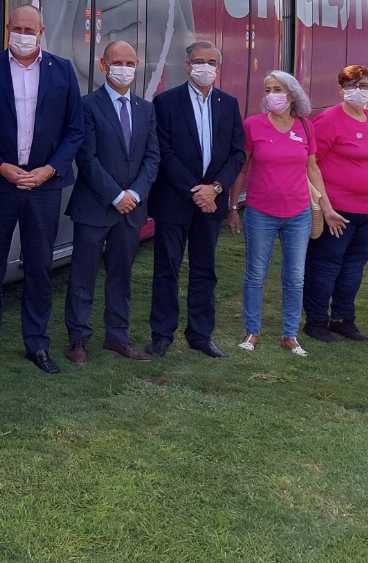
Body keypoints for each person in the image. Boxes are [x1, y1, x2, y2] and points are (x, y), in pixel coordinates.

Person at [0, 4, 83, 373]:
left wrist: (50, 170)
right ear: (7, 29)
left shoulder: (62, 70)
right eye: (16, 28)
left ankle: (37, 344)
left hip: (43, 187)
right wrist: (0, 166)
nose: (22, 34)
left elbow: (74, 129)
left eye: (29, 29)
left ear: (41, 30)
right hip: (1, 184)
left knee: (39, 266)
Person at [146, 40, 247, 358]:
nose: (206, 67)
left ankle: (200, 335)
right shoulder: (165, 102)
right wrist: (196, 190)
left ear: (218, 67)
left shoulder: (228, 104)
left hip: (212, 203)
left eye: (212, 62)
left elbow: (237, 153)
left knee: (205, 270)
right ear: (187, 65)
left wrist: (215, 188)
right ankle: (162, 334)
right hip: (175, 200)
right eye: (199, 61)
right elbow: (165, 152)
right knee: (167, 269)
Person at [63, 40, 160, 364]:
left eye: (130, 63)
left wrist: (133, 194)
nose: (124, 69)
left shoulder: (146, 109)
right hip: (95, 207)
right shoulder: (88, 105)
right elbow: (86, 158)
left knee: (121, 275)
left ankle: (117, 338)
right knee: (83, 276)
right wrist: (115, 195)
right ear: (103, 65)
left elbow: (152, 156)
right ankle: (78, 339)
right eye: (117, 62)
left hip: (131, 211)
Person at [227, 71, 329, 357]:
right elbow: (242, 169)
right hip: (260, 212)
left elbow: (312, 168)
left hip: (298, 213)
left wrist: (327, 205)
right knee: (256, 273)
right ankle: (252, 331)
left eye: (279, 89)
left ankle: (290, 335)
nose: (273, 95)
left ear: (292, 94)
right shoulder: (253, 126)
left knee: (295, 276)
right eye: (269, 89)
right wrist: (233, 207)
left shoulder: (306, 128)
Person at [303, 64, 368, 343]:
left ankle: (343, 318)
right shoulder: (328, 120)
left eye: (363, 85)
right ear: (340, 89)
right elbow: (310, 164)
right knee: (325, 265)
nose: (358, 91)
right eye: (351, 86)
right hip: (338, 211)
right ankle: (316, 321)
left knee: (353, 267)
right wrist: (326, 207)